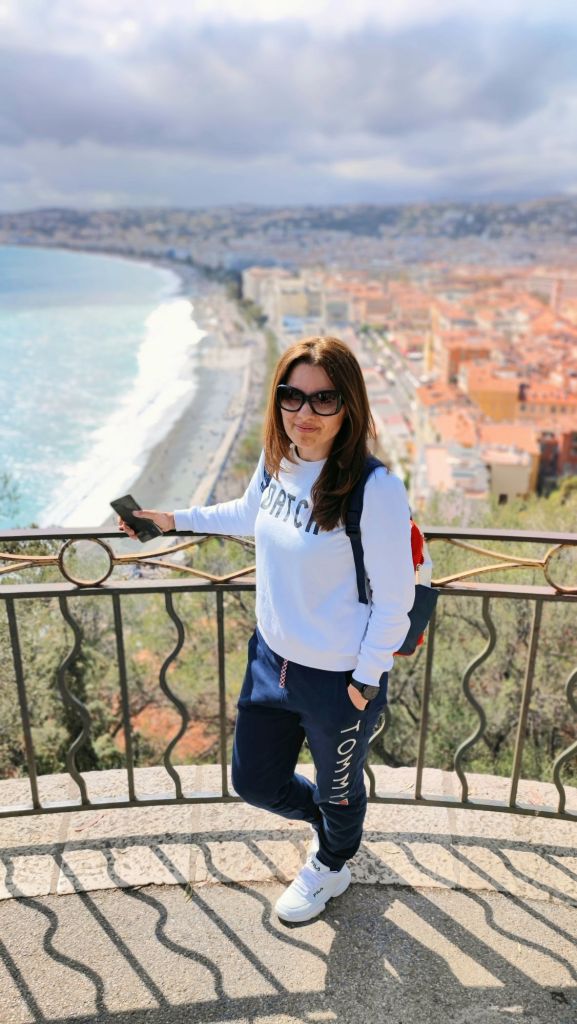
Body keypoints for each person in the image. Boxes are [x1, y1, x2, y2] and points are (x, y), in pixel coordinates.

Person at [118, 335, 415, 923]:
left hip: (338, 680)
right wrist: (173, 520)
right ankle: (329, 827)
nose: (305, 412)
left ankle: (332, 862)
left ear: (349, 405)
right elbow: (248, 511)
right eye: (291, 396)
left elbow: (395, 599)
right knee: (254, 781)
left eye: (324, 399)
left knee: (338, 789)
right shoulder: (279, 460)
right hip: (270, 661)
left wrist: (365, 680)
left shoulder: (375, 489)